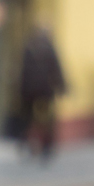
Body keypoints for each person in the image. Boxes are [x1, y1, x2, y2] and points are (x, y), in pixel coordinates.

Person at [18, 26, 68, 161]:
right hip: (44, 90)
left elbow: (23, 71)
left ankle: (28, 145)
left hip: (29, 91)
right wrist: (62, 87)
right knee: (46, 119)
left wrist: (21, 89)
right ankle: (46, 147)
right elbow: (56, 69)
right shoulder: (48, 48)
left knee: (29, 119)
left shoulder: (29, 47)